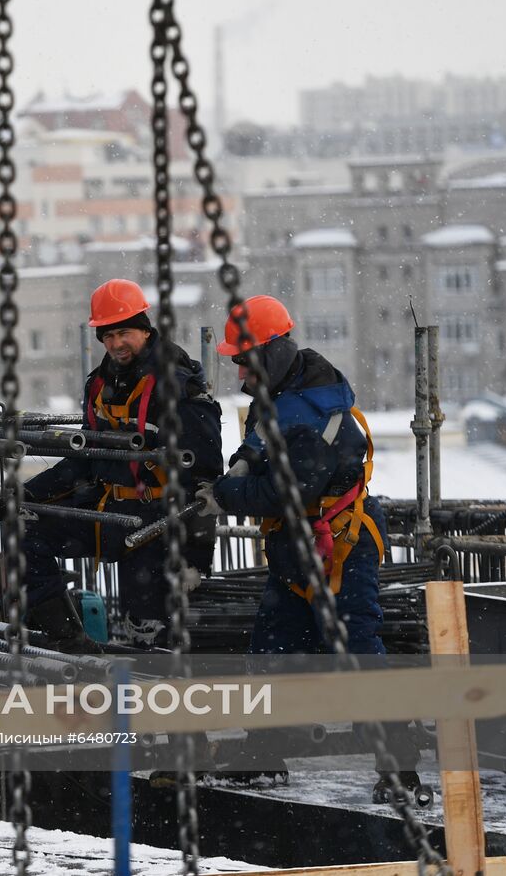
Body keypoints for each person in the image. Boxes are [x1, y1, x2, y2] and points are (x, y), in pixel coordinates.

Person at [200, 294, 420, 792]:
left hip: (341, 542)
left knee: (359, 648)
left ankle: (399, 766)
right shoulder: (281, 392)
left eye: (243, 362)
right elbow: (258, 445)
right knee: (273, 647)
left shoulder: (317, 411)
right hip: (296, 546)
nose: (239, 375)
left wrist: (224, 493)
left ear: (269, 353)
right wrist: (239, 465)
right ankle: (263, 751)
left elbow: (288, 491)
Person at [20, 280, 222, 648]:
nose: (115, 344)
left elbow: (206, 480)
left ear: (145, 329)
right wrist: (28, 494)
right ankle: (69, 639)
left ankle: (158, 687)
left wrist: (196, 556)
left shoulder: (179, 386)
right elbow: (84, 459)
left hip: (158, 525)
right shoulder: (100, 385)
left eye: (124, 333)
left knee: (147, 635)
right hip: (109, 511)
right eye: (108, 335)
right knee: (27, 532)